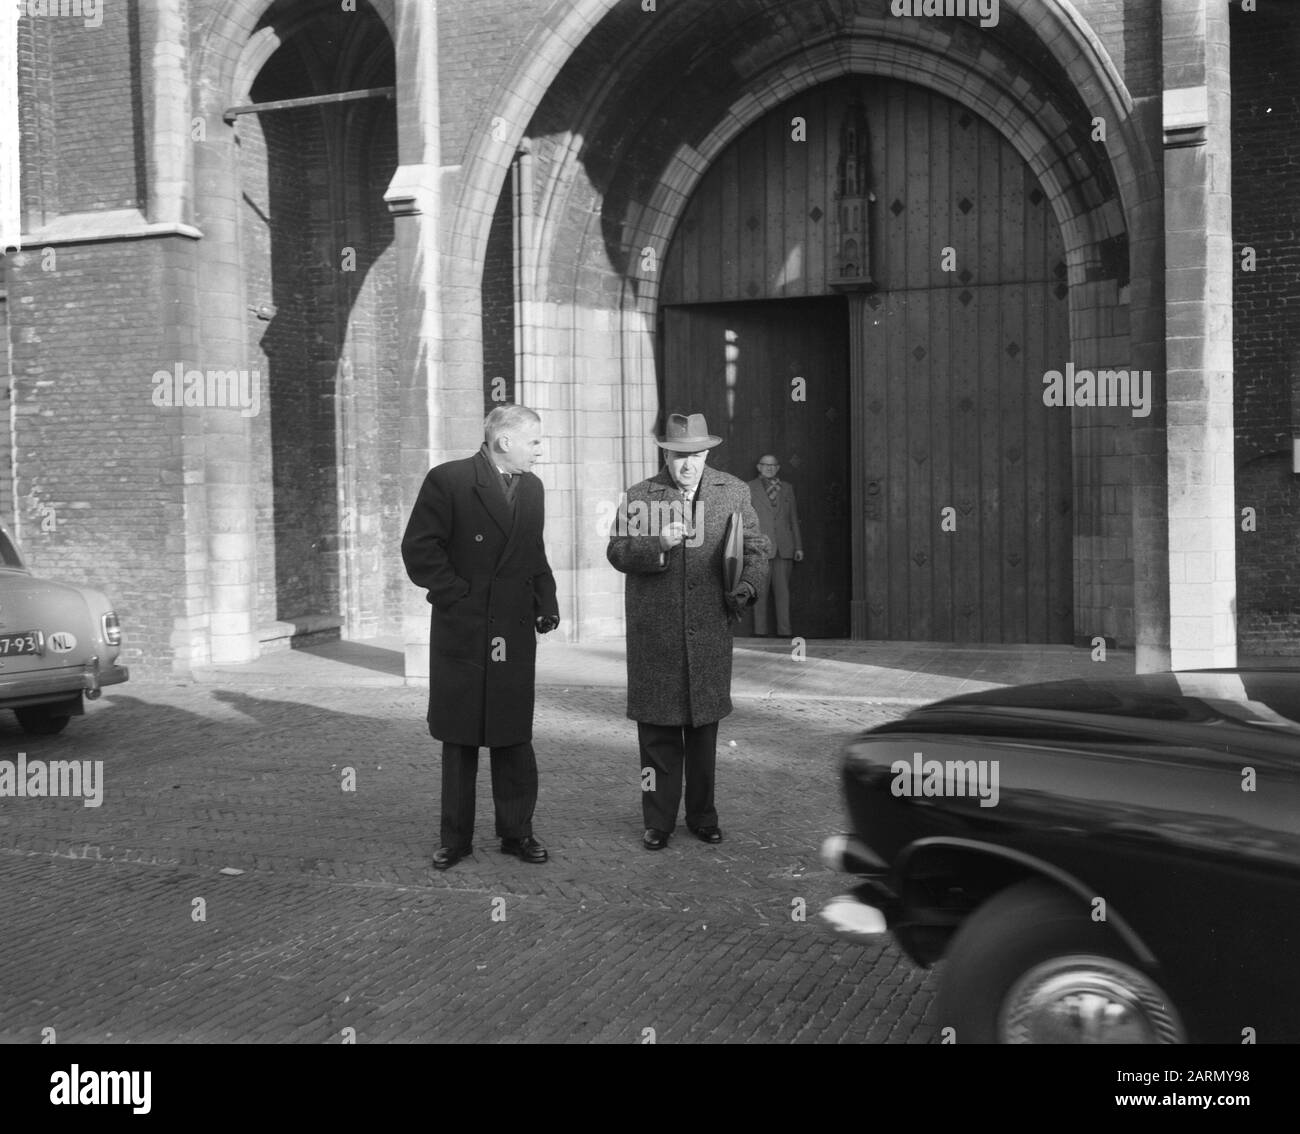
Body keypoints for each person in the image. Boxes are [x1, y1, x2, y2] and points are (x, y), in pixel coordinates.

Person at [401, 404, 560, 870]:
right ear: (505, 441)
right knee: (461, 737)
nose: (541, 451)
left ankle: (517, 832)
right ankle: (455, 839)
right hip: (464, 630)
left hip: (513, 632)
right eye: (534, 442)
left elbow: (533, 550)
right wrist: (457, 595)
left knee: (513, 735)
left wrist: (546, 602)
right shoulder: (448, 480)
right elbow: (419, 549)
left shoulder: (532, 489)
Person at [606, 412, 769, 850]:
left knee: (703, 733)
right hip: (655, 636)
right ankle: (657, 822)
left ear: (707, 453)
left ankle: (702, 816)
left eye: (695, 455)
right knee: (657, 736)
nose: (687, 465)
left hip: (709, 631)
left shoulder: (732, 491)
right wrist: (656, 543)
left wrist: (749, 586)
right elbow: (618, 551)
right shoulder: (641, 495)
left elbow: (755, 548)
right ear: (665, 454)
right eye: (678, 456)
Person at [747, 454, 804, 638]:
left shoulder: (787, 488)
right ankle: (760, 631)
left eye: (773, 466)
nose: (769, 468)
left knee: (783, 593)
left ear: (778, 468)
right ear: (758, 467)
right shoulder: (749, 487)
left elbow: (793, 519)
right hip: (760, 547)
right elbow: (746, 519)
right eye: (765, 465)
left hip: (784, 547)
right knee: (760, 592)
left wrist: (798, 546)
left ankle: (785, 631)